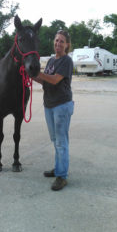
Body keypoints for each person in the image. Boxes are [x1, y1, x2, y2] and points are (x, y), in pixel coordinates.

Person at [34, 30, 74, 191]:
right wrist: (31, 75)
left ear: (67, 45)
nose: (58, 43)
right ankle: (58, 169)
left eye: (62, 41)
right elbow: (45, 82)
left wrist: (38, 73)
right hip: (49, 105)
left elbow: (55, 79)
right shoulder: (51, 60)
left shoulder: (66, 61)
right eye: (57, 40)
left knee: (61, 142)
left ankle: (62, 176)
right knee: (54, 140)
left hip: (61, 105)